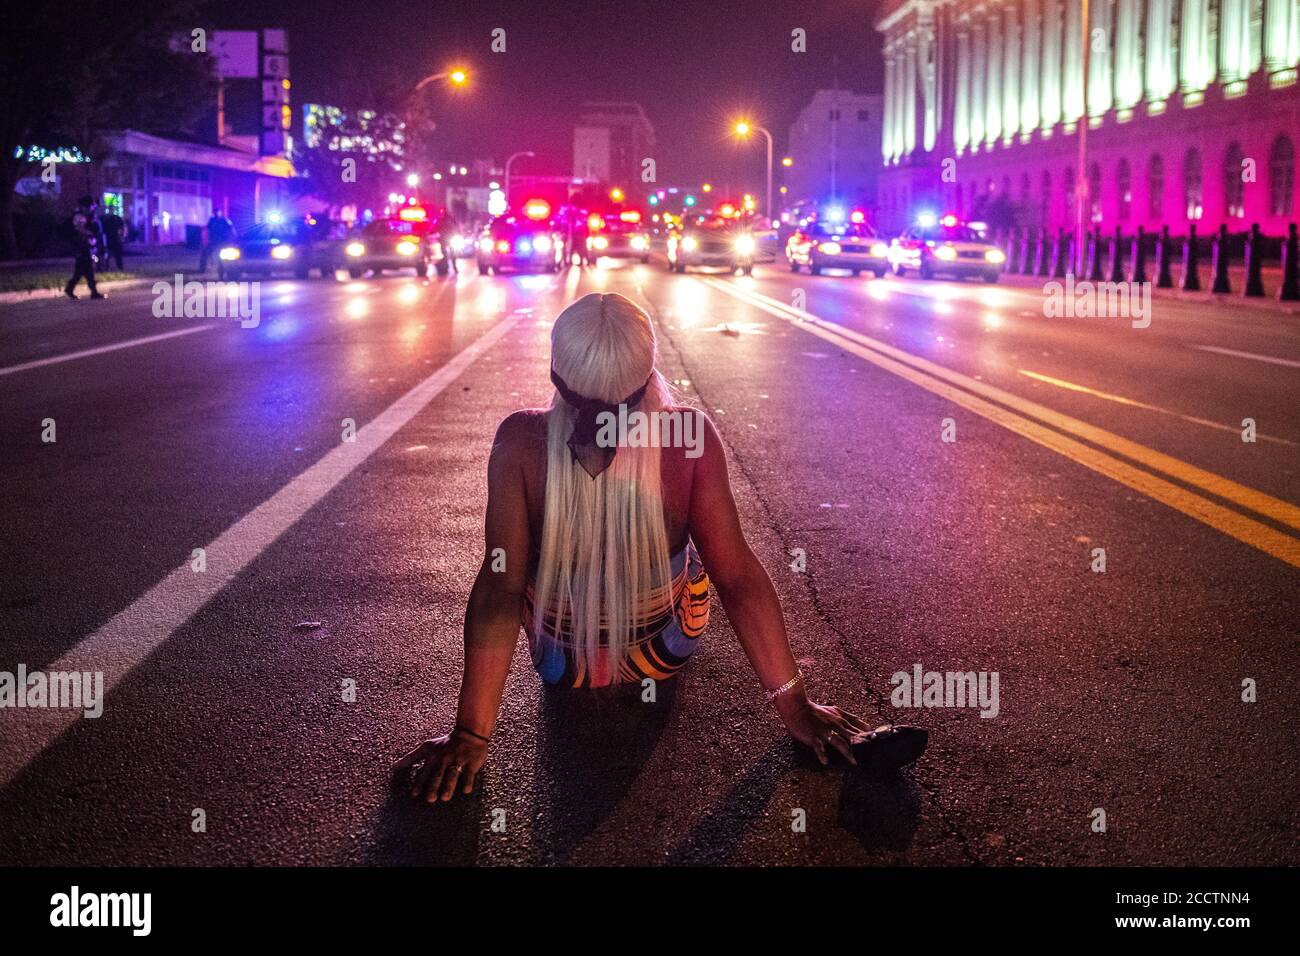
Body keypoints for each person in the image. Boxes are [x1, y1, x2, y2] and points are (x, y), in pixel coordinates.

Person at [395, 292, 926, 802]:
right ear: (648, 373)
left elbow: (499, 591)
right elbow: (736, 578)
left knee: (516, 564)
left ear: (556, 373)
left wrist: (471, 734)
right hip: (663, 654)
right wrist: (795, 704)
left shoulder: (517, 441)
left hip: (562, 665)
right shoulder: (688, 436)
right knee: (702, 554)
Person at [64, 196, 105, 300]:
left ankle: (71, 288)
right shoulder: (79, 216)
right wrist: (90, 234)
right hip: (81, 246)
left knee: (81, 270)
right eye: (90, 206)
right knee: (86, 269)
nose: (92, 208)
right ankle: (93, 292)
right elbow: (80, 229)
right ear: (85, 206)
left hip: (84, 246)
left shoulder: (85, 215)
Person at [100, 205, 126, 271]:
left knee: (118, 255)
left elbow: (122, 227)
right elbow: (103, 231)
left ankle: (120, 268)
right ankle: (106, 268)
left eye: (112, 209)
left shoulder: (117, 218)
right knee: (107, 255)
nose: (111, 210)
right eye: (110, 209)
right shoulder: (106, 219)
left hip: (116, 238)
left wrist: (122, 236)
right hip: (109, 239)